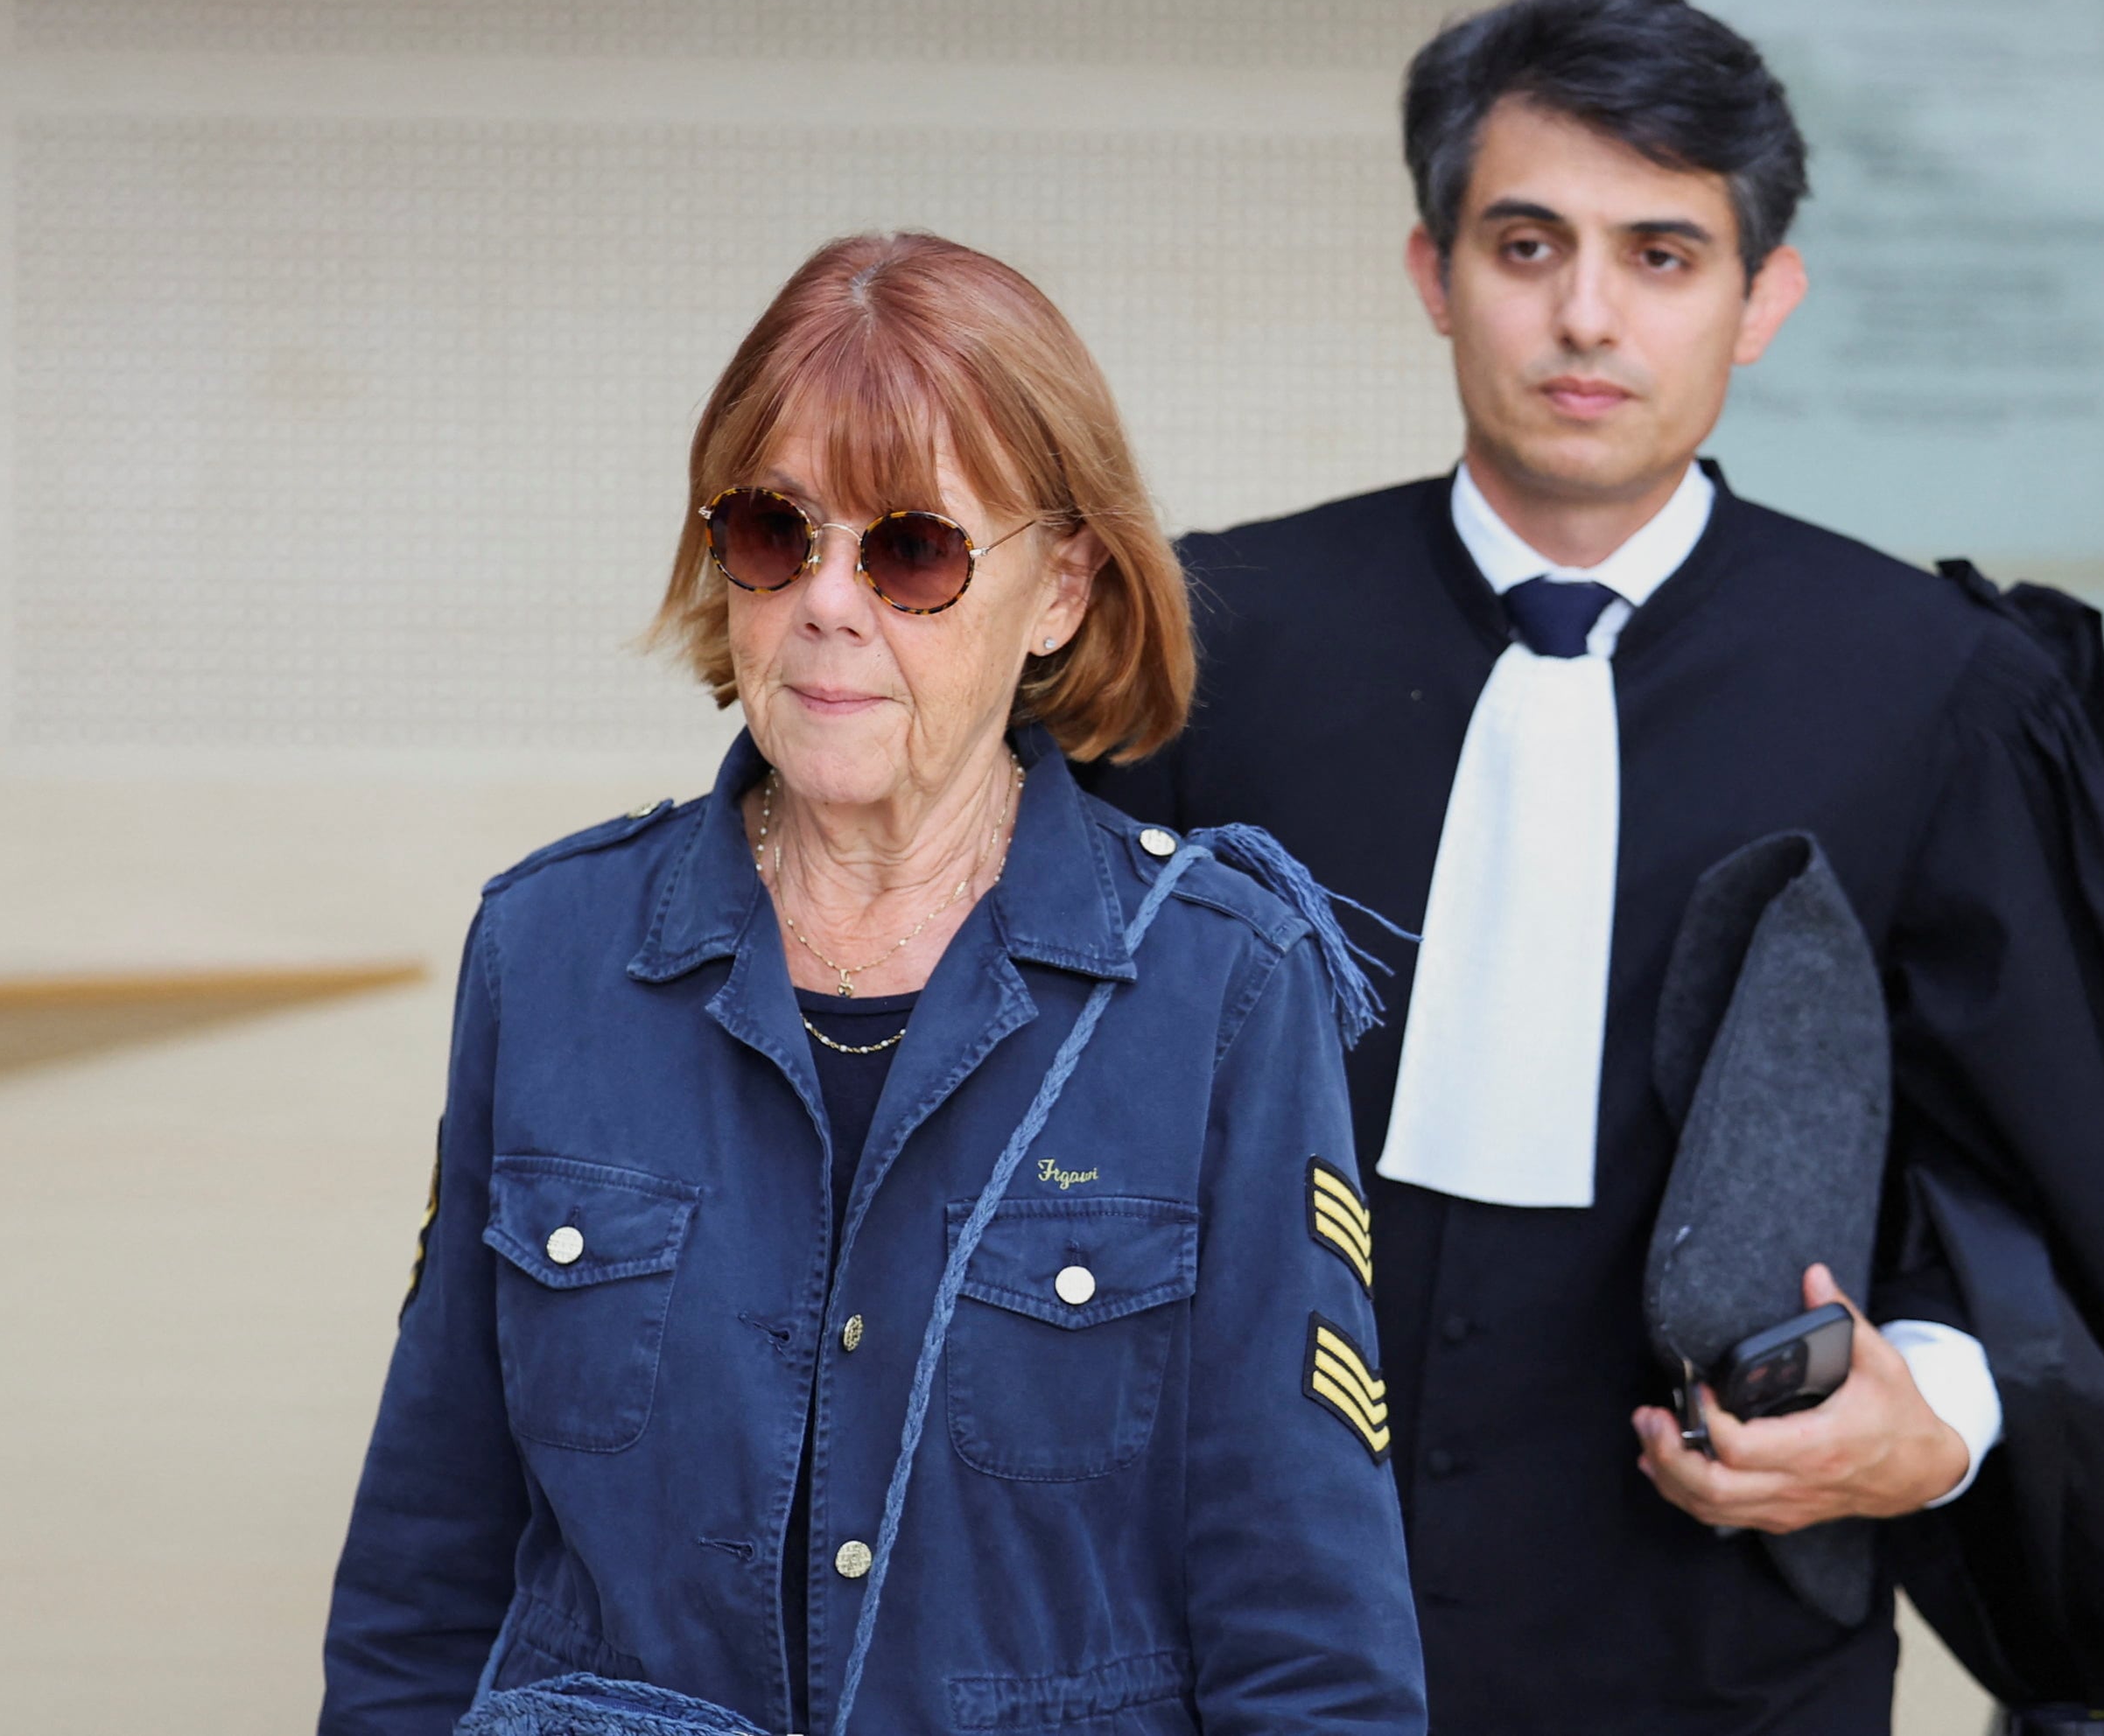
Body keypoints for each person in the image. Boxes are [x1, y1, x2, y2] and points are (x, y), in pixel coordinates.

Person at [1091, 0, 2104, 1734]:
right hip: (1235, 1633)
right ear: (1431, 270)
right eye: (1524, 244)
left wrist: (1929, 1408)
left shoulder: (1930, 689)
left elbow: (2033, 1185)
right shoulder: (1207, 642)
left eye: (1660, 254)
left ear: (1758, 298)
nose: (1585, 319)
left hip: (1721, 1650)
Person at [320, 232, 1427, 1735]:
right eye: (779, 532)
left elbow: (1308, 1642)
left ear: (1061, 589)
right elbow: (423, 1577)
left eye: (912, 549)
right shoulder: (550, 950)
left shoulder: (1221, 981)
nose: (831, 602)